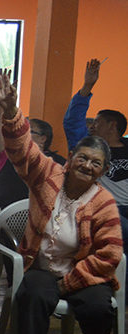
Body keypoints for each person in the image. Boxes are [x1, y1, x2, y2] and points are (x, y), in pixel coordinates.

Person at [0, 70, 123, 334]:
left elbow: (110, 254)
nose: (87, 165)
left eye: (96, 163)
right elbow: (23, 149)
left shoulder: (104, 203)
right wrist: (10, 110)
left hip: (84, 273)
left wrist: (71, 282)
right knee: (32, 295)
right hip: (43, 266)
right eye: (82, 157)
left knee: (99, 308)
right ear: (72, 158)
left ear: (103, 171)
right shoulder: (48, 174)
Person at [62, 58, 128, 258]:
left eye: (97, 122)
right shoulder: (89, 147)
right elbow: (72, 122)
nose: (91, 126)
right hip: (101, 207)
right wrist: (87, 86)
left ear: (112, 126)